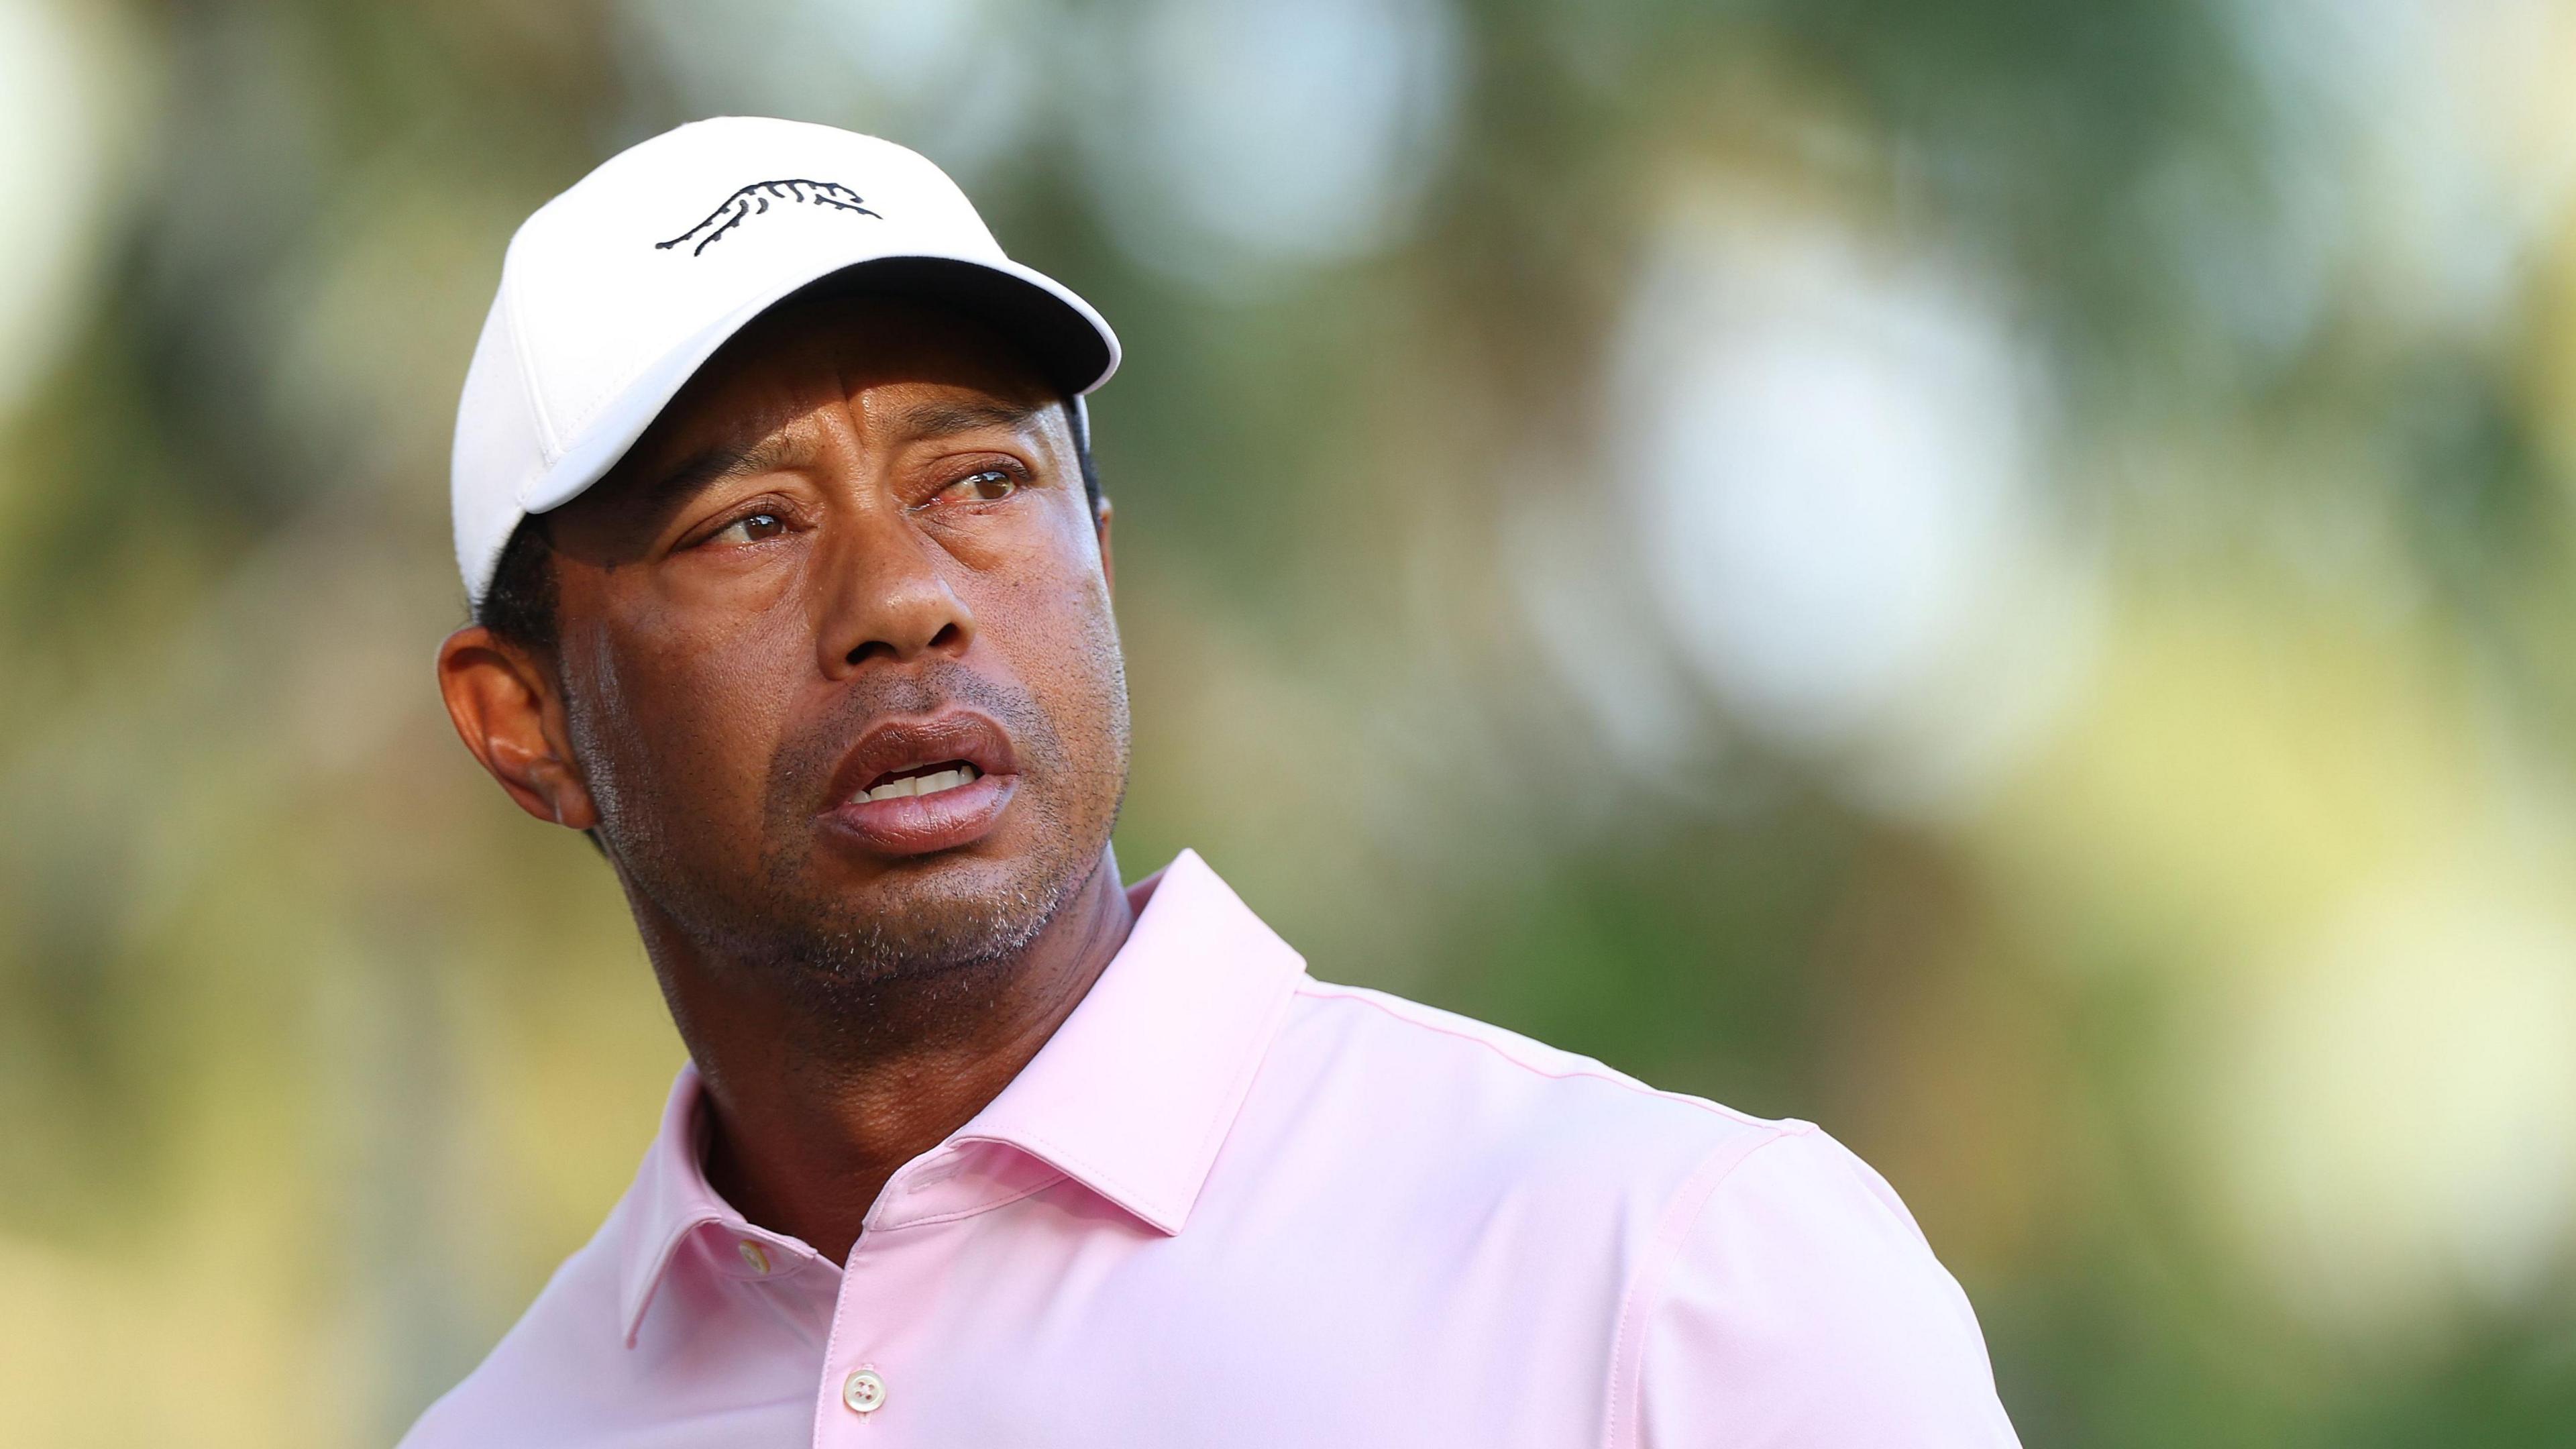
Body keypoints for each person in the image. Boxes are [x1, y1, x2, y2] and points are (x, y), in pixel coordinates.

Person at [411, 116, 2023, 1448]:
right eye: (749, 524)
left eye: (983, 480)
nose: (906, 596)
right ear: (527, 724)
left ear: (1097, 566)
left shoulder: (1674, 1283)